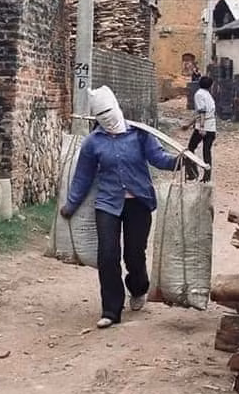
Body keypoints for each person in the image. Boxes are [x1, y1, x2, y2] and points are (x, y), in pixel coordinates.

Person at [60, 86, 184, 329]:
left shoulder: (139, 134)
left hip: (139, 202)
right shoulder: (93, 143)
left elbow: (158, 158)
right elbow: (83, 177)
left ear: (118, 108)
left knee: (134, 254)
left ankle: (138, 288)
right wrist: (71, 205)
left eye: (110, 112)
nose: (108, 119)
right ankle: (111, 310)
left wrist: (178, 163)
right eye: (102, 116)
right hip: (107, 203)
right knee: (107, 256)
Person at [182, 75, 216, 182]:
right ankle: (207, 177)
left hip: (203, 126)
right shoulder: (208, 95)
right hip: (211, 126)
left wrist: (201, 127)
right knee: (207, 151)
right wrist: (188, 124)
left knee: (190, 148)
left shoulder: (199, 94)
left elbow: (202, 112)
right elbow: (203, 113)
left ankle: (192, 173)